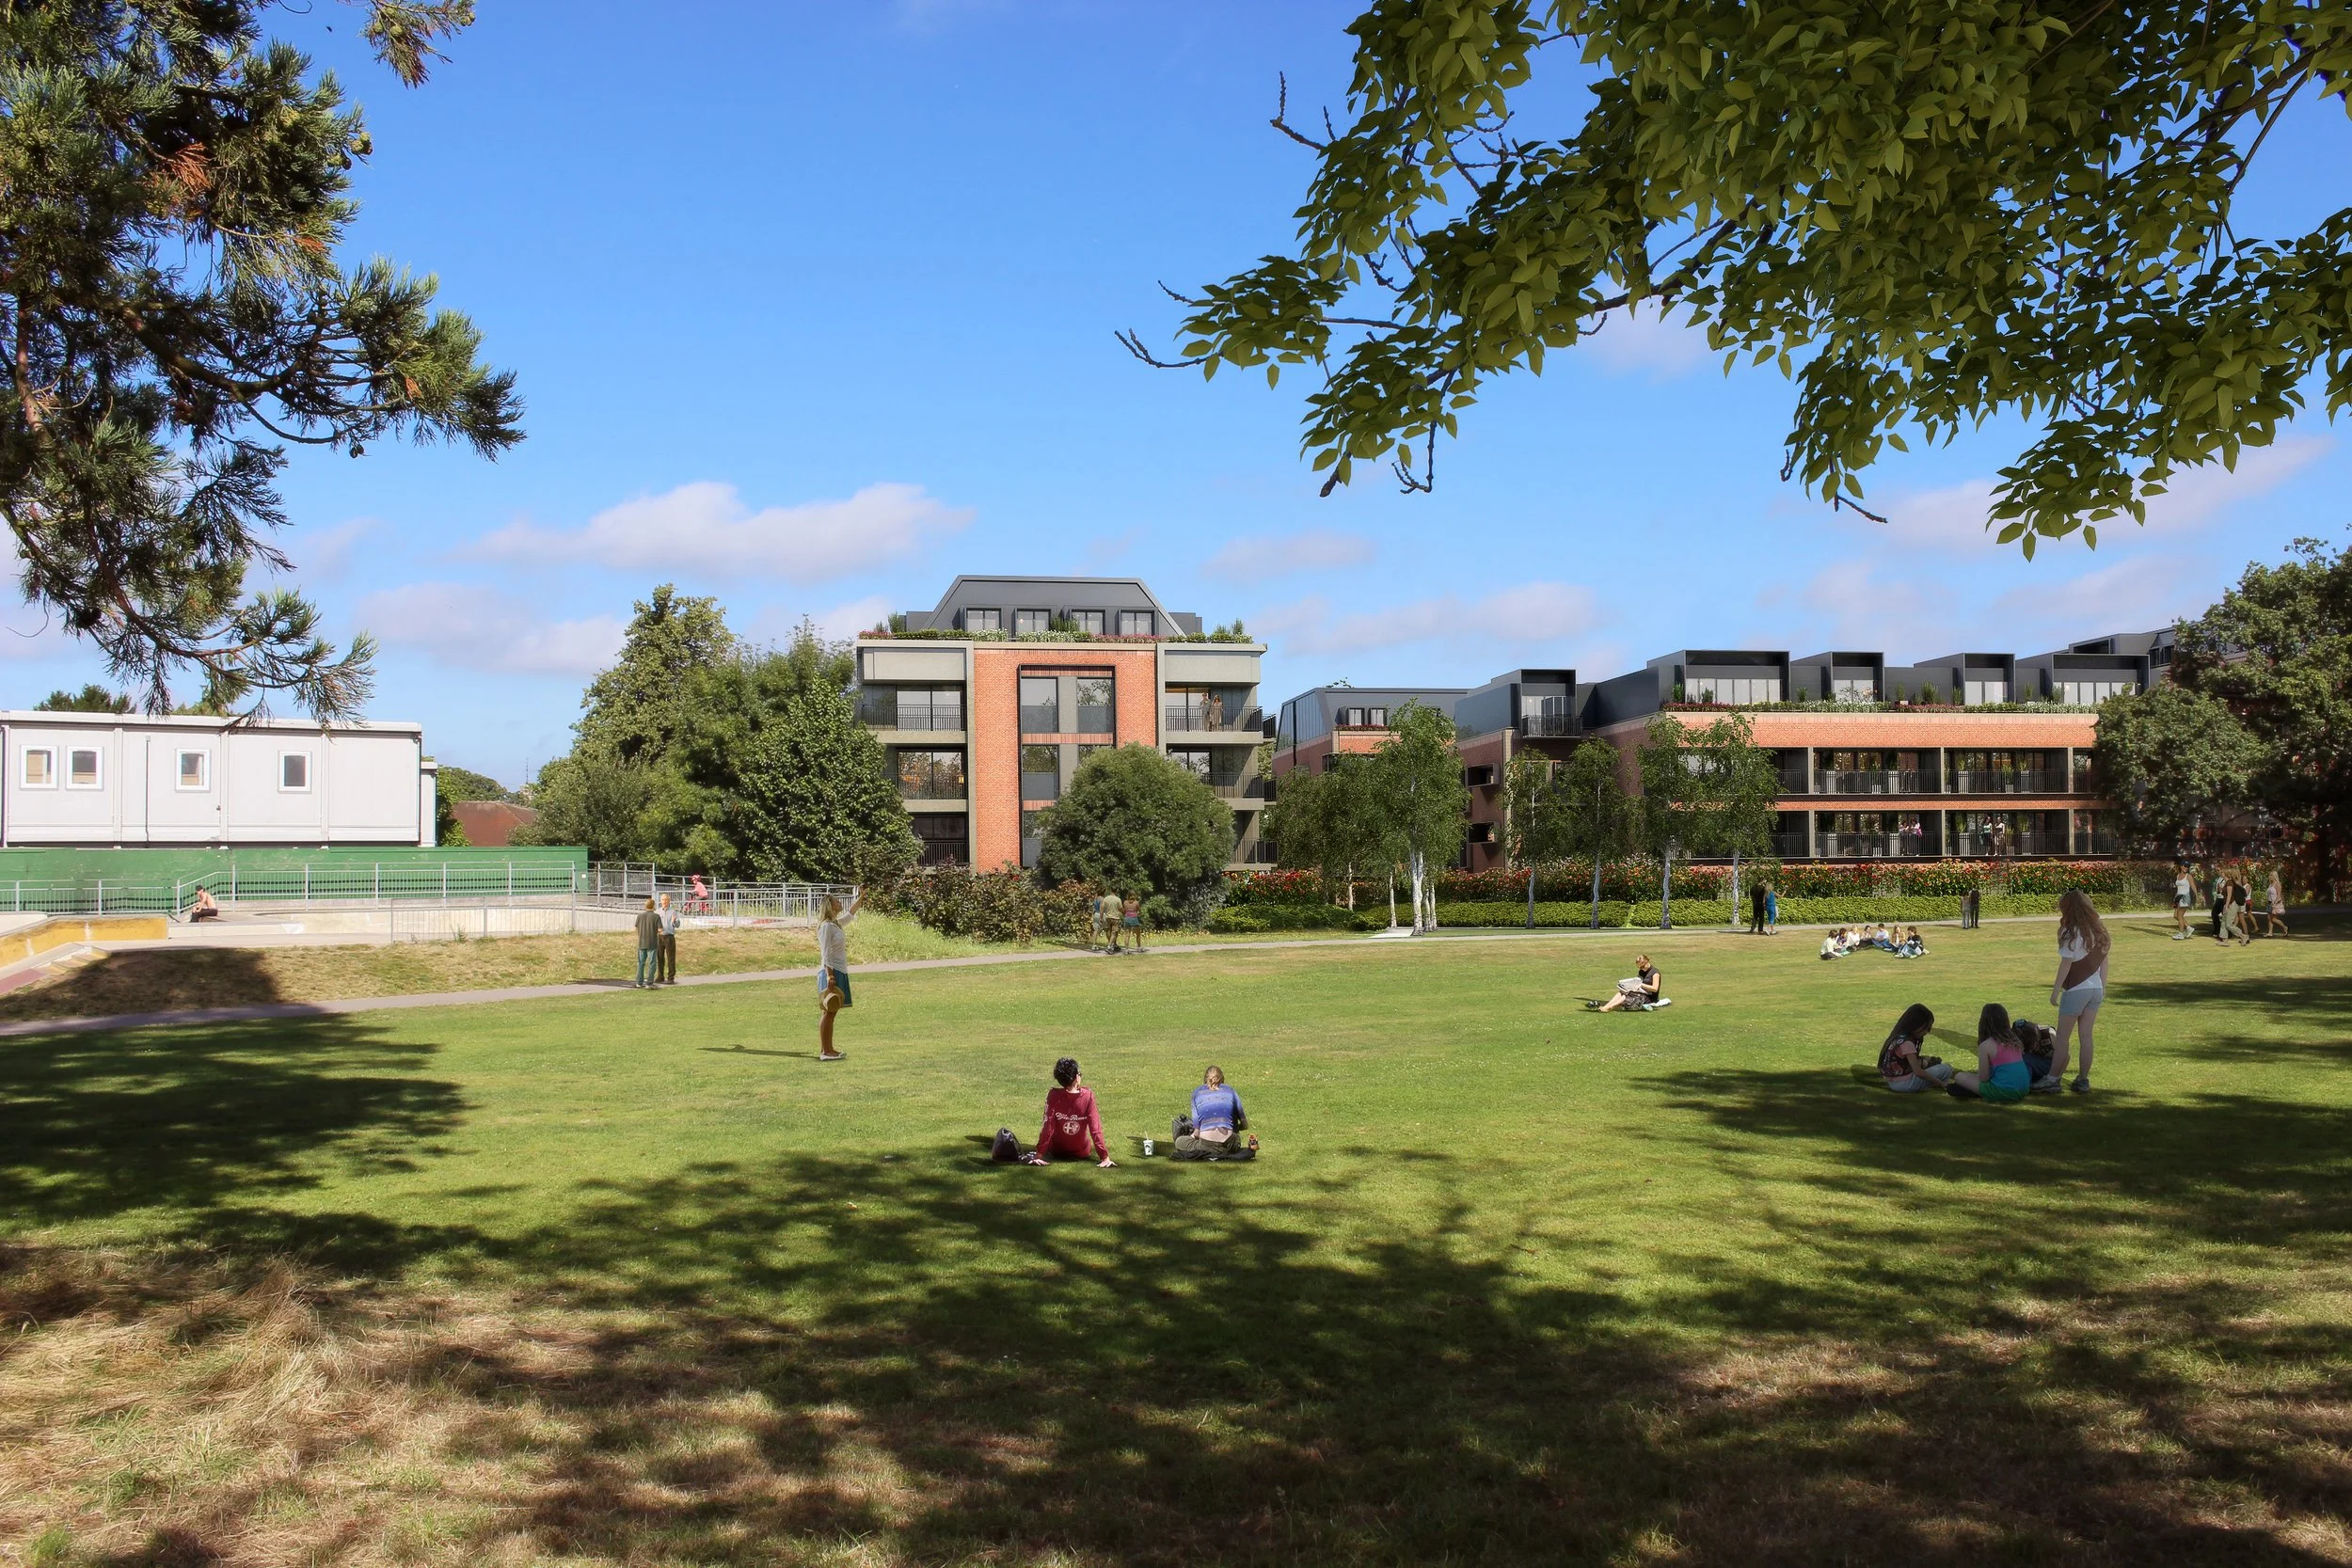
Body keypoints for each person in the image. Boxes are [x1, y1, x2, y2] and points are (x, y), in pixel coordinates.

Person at [2043, 889, 2108, 1093]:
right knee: (2086, 1036)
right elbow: (2105, 961)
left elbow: (2066, 964)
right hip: (2095, 988)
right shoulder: (2099, 930)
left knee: (2062, 1037)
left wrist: (2055, 991)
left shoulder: (2069, 932)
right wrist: (2103, 988)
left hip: (2076, 990)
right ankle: (2082, 1079)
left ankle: (2052, 1079)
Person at [1024, 1056, 1115, 1166]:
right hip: (1082, 1152)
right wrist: (1104, 1157)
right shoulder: (1088, 1096)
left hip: (1056, 1151)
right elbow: (1095, 1129)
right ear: (1077, 1077)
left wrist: (1039, 1154)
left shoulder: (1054, 1095)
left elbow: (1047, 1127)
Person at [1948, 1002, 2033, 1102]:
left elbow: (1984, 1078)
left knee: (1959, 1077)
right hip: (2024, 1089)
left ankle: (1978, 1093)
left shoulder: (1986, 1045)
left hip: (2004, 1092)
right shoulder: (2014, 1040)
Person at [1171, 1064, 1259, 1160]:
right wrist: (1234, 1128)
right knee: (1235, 1136)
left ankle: (1208, 1152)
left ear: (1205, 1079)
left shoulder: (1196, 1093)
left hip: (1206, 1145)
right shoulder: (1230, 1091)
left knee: (1180, 1142)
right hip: (1228, 1144)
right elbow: (1245, 1125)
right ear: (1222, 1079)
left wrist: (1192, 1136)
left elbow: (1197, 1133)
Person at [816, 887, 863, 1061]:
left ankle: (829, 1049)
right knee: (828, 1012)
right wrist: (830, 975)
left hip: (839, 971)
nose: (840, 902)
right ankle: (824, 1051)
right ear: (830, 905)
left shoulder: (835, 924)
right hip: (831, 972)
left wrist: (861, 897)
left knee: (832, 1012)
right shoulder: (826, 927)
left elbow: (851, 913)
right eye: (837, 901)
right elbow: (825, 953)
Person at [1878, 1003, 1954, 1093]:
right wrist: (1942, 1083)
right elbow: (1918, 1072)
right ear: (1915, 1025)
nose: (1927, 1032)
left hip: (1892, 1082)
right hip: (1905, 1085)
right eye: (1926, 1028)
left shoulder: (1897, 1038)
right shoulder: (1908, 1043)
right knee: (1946, 1069)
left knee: (1932, 1066)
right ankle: (1942, 1087)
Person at [1594, 955, 1661, 1011]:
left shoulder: (1655, 973)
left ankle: (1610, 1007)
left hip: (1649, 997)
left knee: (1628, 994)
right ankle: (1606, 1006)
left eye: (1642, 966)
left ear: (1647, 962)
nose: (1641, 969)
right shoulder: (1641, 971)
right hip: (1641, 993)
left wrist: (1642, 985)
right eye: (1639, 967)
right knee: (1622, 991)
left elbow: (1655, 988)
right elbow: (1637, 981)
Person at [633, 898, 661, 989]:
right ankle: (649, 983)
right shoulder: (656, 916)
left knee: (641, 963)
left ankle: (639, 982)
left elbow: (636, 928)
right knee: (652, 963)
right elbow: (660, 930)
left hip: (641, 942)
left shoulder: (640, 916)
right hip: (652, 942)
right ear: (653, 906)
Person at [656, 892, 681, 985]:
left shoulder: (673, 912)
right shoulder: (657, 912)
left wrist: (674, 922)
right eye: (663, 900)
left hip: (669, 937)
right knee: (659, 957)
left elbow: (678, 925)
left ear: (669, 901)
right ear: (660, 901)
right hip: (660, 936)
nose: (664, 901)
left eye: (666, 900)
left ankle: (671, 977)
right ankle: (660, 976)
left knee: (671, 958)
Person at [1092, 890, 1122, 954]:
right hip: (1106, 915)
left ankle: (1094, 945)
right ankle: (1112, 945)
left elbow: (1095, 907)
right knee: (1113, 931)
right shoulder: (1103, 899)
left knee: (1097, 930)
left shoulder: (1096, 898)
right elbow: (1102, 908)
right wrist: (1101, 917)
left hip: (1096, 914)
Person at [2264, 867, 2290, 938]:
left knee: (2274, 919)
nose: (2270, 877)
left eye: (2271, 875)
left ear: (2275, 876)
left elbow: (2279, 894)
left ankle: (2285, 927)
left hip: (2275, 903)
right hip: (2269, 903)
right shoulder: (2270, 885)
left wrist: (2274, 903)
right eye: (2269, 875)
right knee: (2269, 918)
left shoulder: (2277, 884)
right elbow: (2269, 894)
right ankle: (2270, 933)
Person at [2171, 863, 2194, 940]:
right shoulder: (2178, 876)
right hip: (2178, 897)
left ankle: (2180, 934)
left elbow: (2193, 886)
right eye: (2184, 866)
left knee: (2180, 916)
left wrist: (2196, 897)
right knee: (2175, 916)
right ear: (2181, 866)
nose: (2186, 868)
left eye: (2187, 867)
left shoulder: (2189, 876)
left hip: (2185, 897)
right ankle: (2188, 927)